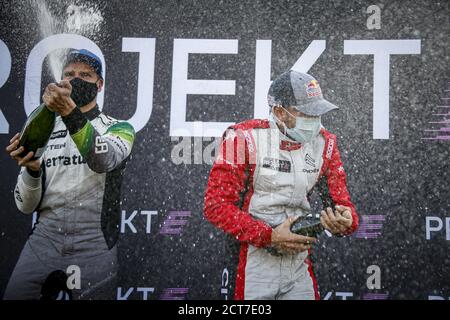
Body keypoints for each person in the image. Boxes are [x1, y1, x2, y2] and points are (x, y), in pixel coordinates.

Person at [204, 70, 359, 300]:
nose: (315, 121)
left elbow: (343, 207)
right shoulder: (243, 138)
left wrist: (344, 221)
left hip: (298, 266)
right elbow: (215, 206)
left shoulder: (325, 145)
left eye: (318, 113)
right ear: (279, 112)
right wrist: (269, 236)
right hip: (252, 264)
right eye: (307, 113)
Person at [4, 49, 135, 299]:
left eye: (85, 75)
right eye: (70, 74)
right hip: (44, 241)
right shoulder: (43, 126)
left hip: (94, 245)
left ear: (100, 84)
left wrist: (69, 113)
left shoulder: (119, 128)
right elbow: (24, 206)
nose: (76, 79)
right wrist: (31, 170)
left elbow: (103, 159)